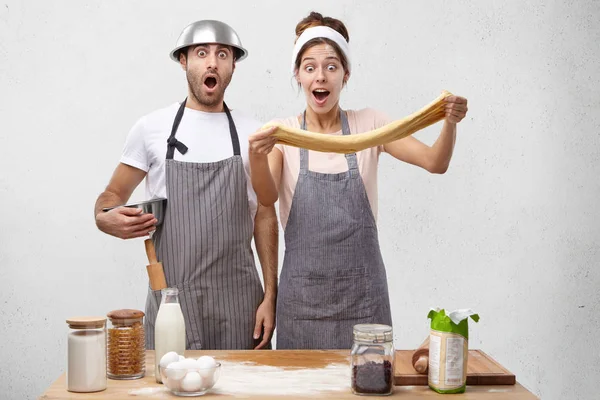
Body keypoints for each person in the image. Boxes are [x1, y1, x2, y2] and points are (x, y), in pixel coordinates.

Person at [248, 12, 468, 349]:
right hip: (302, 305)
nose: (320, 76)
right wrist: (257, 155)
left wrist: (449, 122)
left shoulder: (371, 125)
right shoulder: (282, 134)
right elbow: (266, 197)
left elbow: (435, 162)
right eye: (310, 67)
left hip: (365, 302)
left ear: (345, 74)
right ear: (297, 75)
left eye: (331, 67)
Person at [94, 20, 278, 350]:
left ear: (233, 64)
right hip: (172, 304)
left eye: (222, 54)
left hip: (240, 307)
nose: (212, 62)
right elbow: (111, 197)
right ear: (183, 61)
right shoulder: (151, 128)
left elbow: (266, 214)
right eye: (201, 53)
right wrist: (103, 217)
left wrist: (271, 297)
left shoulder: (254, 134)